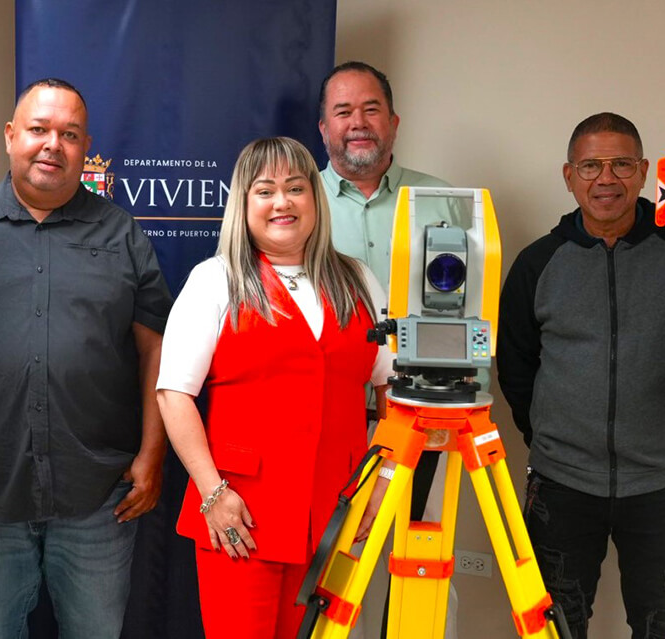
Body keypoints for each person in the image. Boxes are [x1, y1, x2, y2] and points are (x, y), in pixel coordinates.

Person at [0, 78, 173, 639]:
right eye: (38, 129)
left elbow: (156, 348)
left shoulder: (120, 231)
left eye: (69, 134)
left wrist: (152, 453)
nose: (53, 144)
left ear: (85, 148)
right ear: (10, 136)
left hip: (97, 494)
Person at [497, 112, 665, 639]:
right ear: (569, 176)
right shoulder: (538, 263)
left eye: (620, 164)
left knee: (662, 626)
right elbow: (516, 369)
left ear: (643, 171)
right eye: (590, 166)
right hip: (561, 485)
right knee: (555, 628)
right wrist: (549, 435)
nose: (605, 179)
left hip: (660, 484)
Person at [157, 136, 394, 639]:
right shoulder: (213, 280)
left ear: (316, 198)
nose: (282, 202)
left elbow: (391, 393)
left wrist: (381, 488)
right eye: (265, 191)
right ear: (244, 203)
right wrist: (211, 491)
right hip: (241, 517)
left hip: (336, 515)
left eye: (295, 188)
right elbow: (173, 393)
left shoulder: (359, 281)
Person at [316, 60, 460, 637]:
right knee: (328, 569)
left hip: (422, 418)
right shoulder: (297, 204)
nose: (358, 123)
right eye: (343, 111)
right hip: (331, 420)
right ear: (322, 127)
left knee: (422, 565)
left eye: (371, 109)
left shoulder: (446, 201)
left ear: (394, 122)